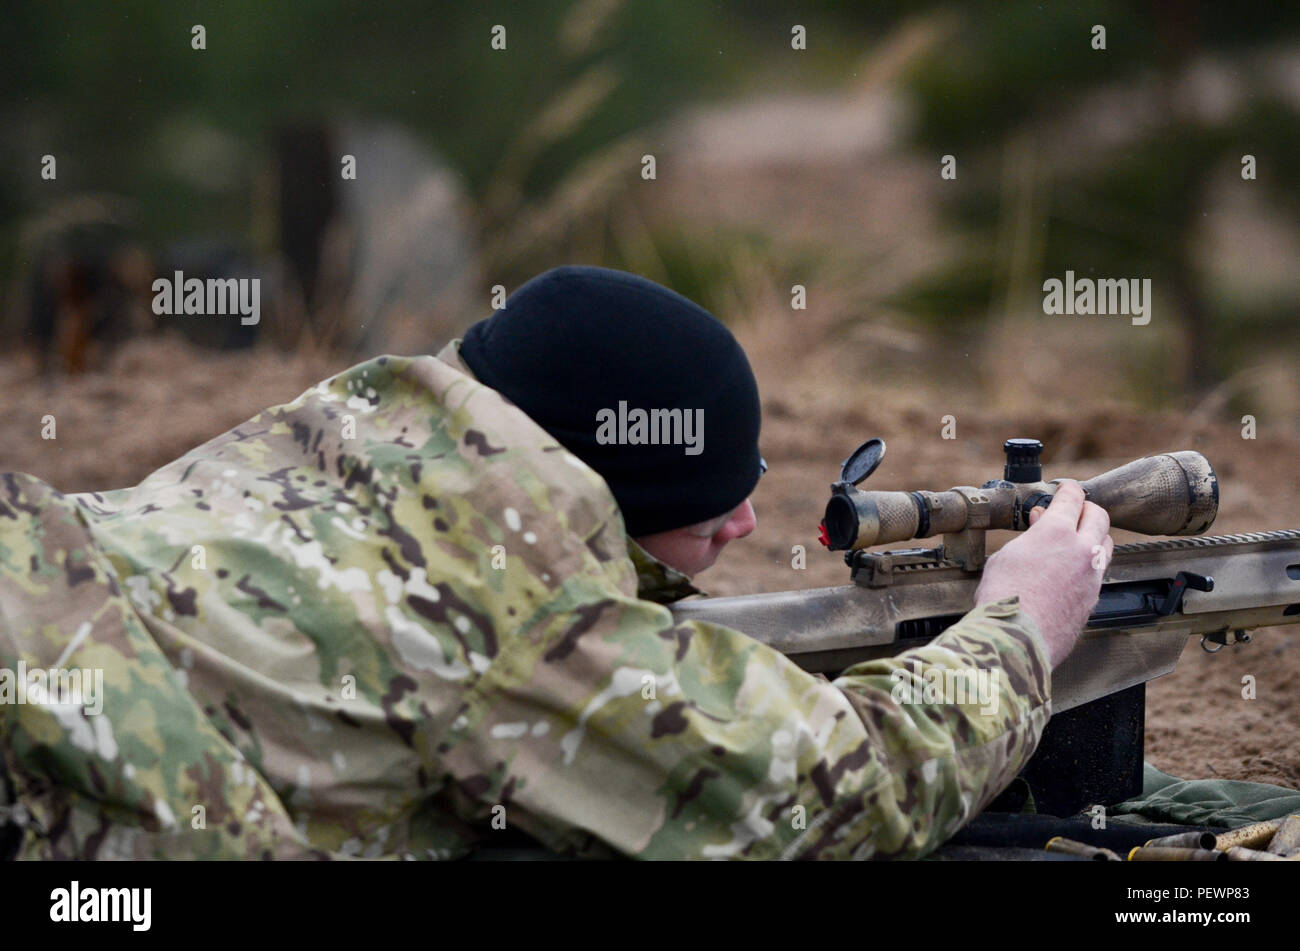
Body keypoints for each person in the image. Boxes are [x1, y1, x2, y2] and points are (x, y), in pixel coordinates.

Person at [0, 265, 1110, 860]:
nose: (740, 523)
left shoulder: (336, 436)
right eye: (715, 498)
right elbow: (842, 799)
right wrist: (1019, 625)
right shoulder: (514, 616)